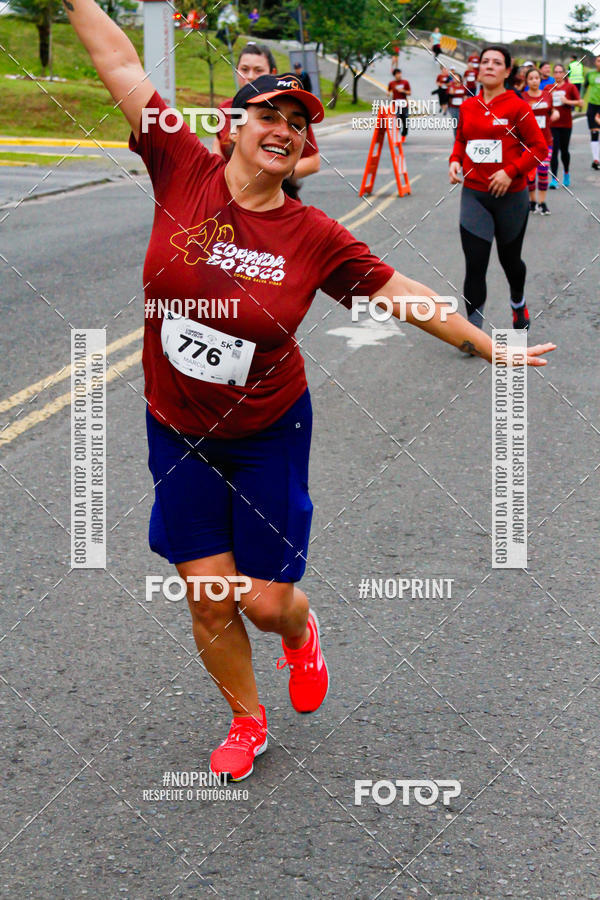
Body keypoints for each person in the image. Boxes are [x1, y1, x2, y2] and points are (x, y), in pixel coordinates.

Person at [63, 5, 555, 782]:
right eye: (270, 112)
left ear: (302, 149)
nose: (285, 126)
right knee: (208, 598)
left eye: (298, 121)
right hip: (177, 430)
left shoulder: (313, 235)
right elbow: (120, 61)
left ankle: (301, 630)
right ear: (233, 125)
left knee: (263, 603)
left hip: (267, 430)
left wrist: (488, 345)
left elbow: (403, 292)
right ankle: (247, 720)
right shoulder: (180, 165)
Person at [449, 45, 548, 331]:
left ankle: (518, 303)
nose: (489, 66)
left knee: (510, 261)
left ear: (507, 71)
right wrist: (454, 160)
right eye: (485, 62)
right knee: (475, 263)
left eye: (496, 63)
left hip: (511, 197)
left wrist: (511, 171)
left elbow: (539, 147)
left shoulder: (517, 106)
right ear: (478, 69)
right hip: (475, 195)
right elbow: (461, 139)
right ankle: (473, 329)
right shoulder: (468, 106)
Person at [212, 44, 320, 200]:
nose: (249, 76)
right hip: (231, 200)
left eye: (258, 70)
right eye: (244, 69)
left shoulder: (290, 110)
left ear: (272, 72)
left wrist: (276, 171)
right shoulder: (225, 109)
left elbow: (313, 162)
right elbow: (218, 153)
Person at [522, 67, 559, 215]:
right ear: (527, 81)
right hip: (527, 143)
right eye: (531, 78)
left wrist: (555, 114)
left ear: (540, 79)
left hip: (545, 141)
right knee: (530, 176)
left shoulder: (547, 95)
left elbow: (552, 111)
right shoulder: (522, 97)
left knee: (543, 171)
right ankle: (532, 201)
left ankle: (543, 203)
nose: (534, 81)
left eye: (536, 78)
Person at [548, 63, 582, 189]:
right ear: (553, 74)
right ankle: (554, 179)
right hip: (552, 124)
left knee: (564, 151)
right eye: (555, 72)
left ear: (564, 73)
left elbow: (580, 102)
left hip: (566, 124)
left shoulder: (570, 87)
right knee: (554, 151)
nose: (558, 74)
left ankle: (566, 173)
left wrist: (566, 101)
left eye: (560, 72)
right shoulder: (549, 87)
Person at [583, 55, 600, 170]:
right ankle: (596, 159)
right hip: (592, 106)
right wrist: (580, 99)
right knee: (594, 133)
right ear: (595, 62)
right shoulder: (590, 74)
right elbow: (584, 88)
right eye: (599, 61)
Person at [387, 67, 411, 139]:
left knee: (405, 121)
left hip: (404, 104)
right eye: (397, 74)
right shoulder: (392, 83)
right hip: (396, 105)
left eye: (400, 73)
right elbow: (388, 91)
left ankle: (404, 134)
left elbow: (409, 92)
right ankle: (398, 135)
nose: (399, 75)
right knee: (397, 119)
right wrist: (388, 93)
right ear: (394, 75)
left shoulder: (405, 82)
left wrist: (403, 91)